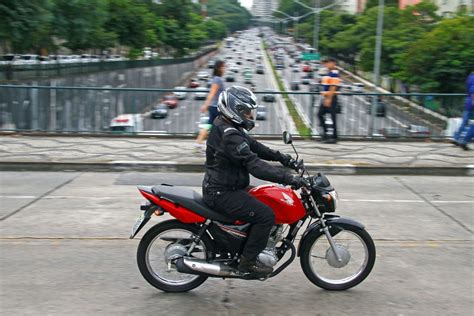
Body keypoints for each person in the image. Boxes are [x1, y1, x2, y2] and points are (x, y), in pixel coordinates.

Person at [202, 86, 307, 275]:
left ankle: (246, 246)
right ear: (235, 110)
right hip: (222, 192)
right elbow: (255, 165)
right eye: (247, 112)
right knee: (265, 215)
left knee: (268, 197)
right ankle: (247, 262)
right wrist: (289, 178)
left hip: (228, 186)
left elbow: (255, 147)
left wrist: (284, 158)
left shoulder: (228, 126)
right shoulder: (229, 135)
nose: (250, 116)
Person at [195, 60, 226, 150]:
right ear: (219, 68)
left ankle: (198, 143)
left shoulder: (216, 79)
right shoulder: (217, 79)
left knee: (209, 125)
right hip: (217, 107)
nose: (225, 69)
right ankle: (221, 146)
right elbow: (212, 93)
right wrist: (205, 105)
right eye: (223, 67)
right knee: (226, 125)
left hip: (214, 107)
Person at [318, 57, 341, 143]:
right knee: (320, 114)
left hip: (331, 98)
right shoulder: (329, 73)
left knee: (332, 117)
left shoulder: (334, 73)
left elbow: (333, 87)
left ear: (333, 63)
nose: (326, 65)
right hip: (326, 97)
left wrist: (329, 99)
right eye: (325, 63)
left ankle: (333, 137)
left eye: (328, 63)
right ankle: (326, 135)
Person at [453, 71, 474, 150]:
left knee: (465, 122)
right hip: (471, 104)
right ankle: (464, 140)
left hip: (468, 103)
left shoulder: (470, 77)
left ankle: (458, 138)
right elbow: (473, 90)